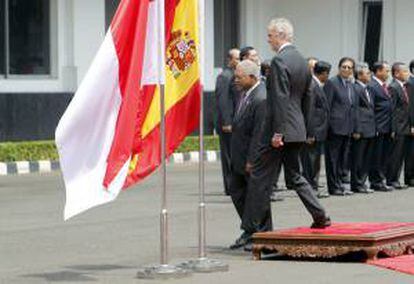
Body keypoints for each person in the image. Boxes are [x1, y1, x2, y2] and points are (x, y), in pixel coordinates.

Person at [241, 18, 331, 242]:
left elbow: (280, 98)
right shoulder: (302, 60)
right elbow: (308, 97)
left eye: (270, 35)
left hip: (279, 131)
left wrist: (279, 132)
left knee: (260, 177)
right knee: (294, 176)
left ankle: (253, 230)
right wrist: (305, 127)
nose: (268, 39)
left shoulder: (279, 60)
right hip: (297, 128)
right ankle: (320, 215)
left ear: (280, 35)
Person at [228, 60, 267, 249]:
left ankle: (259, 233)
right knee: (237, 191)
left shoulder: (261, 98)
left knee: (256, 197)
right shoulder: (244, 94)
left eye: (239, 77)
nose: (235, 80)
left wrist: (252, 160)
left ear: (252, 77)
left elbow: (259, 134)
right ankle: (251, 229)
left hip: (252, 159)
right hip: (238, 156)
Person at [324, 57, 356, 196]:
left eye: (349, 67)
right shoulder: (332, 83)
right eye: (344, 67)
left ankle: (340, 185)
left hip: (347, 128)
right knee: (332, 159)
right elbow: (327, 107)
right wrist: (328, 127)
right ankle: (333, 187)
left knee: (342, 160)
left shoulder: (350, 85)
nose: (346, 69)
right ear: (339, 68)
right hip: (334, 128)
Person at [300, 60, 331, 198]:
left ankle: (313, 186)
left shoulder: (317, 85)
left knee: (315, 161)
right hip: (314, 131)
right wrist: (310, 133)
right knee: (310, 162)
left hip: (319, 130)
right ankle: (310, 189)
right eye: (327, 74)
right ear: (323, 73)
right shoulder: (312, 86)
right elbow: (309, 110)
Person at [215, 48, 240, 195]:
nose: (239, 61)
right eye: (237, 58)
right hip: (227, 124)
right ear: (230, 60)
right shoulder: (225, 76)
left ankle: (234, 185)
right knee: (228, 156)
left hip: (234, 122)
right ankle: (229, 186)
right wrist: (226, 122)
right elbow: (223, 101)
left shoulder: (235, 75)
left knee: (234, 155)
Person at [367, 61, 393, 192]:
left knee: (384, 155)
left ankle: (380, 179)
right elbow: (371, 108)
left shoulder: (384, 86)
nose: (388, 73)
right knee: (376, 156)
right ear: (378, 71)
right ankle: (375, 181)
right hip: (378, 126)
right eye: (386, 71)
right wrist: (374, 126)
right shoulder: (372, 86)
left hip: (387, 126)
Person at [351, 63, 375, 194]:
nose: (370, 75)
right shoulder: (355, 88)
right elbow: (355, 111)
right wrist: (357, 129)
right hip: (361, 129)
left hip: (370, 128)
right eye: (367, 73)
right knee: (358, 158)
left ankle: (363, 182)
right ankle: (357, 183)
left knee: (366, 158)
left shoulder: (368, 89)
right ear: (359, 75)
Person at [386, 62, 411, 189]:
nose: (407, 74)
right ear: (396, 73)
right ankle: (391, 180)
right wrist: (393, 128)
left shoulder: (403, 87)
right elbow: (393, 110)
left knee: (400, 155)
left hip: (404, 127)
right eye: (405, 71)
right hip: (398, 127)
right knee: (395, 156)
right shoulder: (393, 87)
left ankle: (396, 179)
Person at [404, 60, 414, 187]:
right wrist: (412, 125)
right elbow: (411, 107)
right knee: (411, 152)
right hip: (412, 123)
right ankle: (409, 177)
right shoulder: (410, 84)